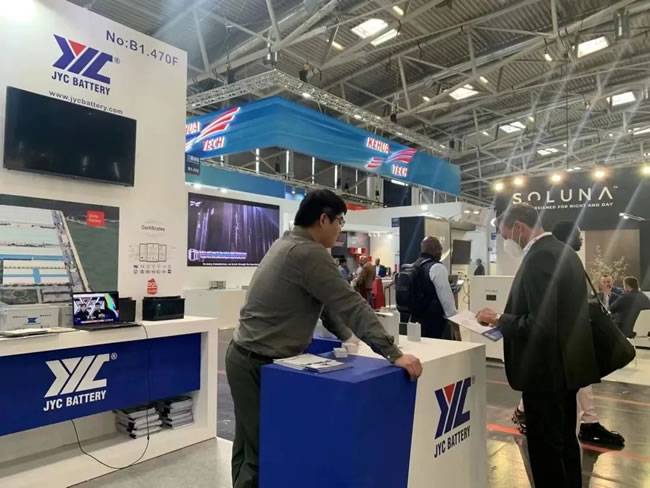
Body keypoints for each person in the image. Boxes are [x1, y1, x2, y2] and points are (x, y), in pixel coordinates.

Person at [225, 189, 422, 488]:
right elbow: (351, 304)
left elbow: (327, 306)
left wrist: (347, 338)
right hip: (256, 363)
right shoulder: (309, 253)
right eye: (340, 221)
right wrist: (394, 353)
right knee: (263, 450)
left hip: (245, 357)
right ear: (323, 219)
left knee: (249, 445)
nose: (340, 229)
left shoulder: (288, 243)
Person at [476, 204, 600, 488]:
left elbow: (540, 325)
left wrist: (499, 319)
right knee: (565, 444)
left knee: (546, 453)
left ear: (519, 228)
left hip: (544, 373)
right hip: (565, 369)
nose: (505, 242)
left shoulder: (539, 258)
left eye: (505, 235)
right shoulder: (564, 252)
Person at [512, 221, 624, 447]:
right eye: (578, 235)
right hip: (563, 342)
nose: (581, 239)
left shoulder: (562, 260)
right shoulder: (554, 261)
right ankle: (588, 421)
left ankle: (585, 420)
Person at [411, 236, 457, 339]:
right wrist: (456, 325)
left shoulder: (414, 266)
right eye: (440, 248)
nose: (441, 252)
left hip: (414, 320)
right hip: (434, 323)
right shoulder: (437, 268)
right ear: (434, 249)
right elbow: (447, 302)